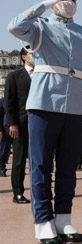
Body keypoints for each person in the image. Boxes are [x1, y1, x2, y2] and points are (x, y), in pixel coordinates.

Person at [8, 0, 82, 243]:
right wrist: (44, 6)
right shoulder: (39, 27)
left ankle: (63, 219)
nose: (68, 2)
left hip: (76, 107)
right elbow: (14, 26)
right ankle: (42, 222)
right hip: (44, 104)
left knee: (68, 167)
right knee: (40, 165)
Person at [4, 48, 33, 203]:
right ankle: (18, 192)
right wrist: (12, 123)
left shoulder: (43, 75)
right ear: (24, 57)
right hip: (21, 124)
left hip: (41, 125)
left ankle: (41, 190)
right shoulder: (14, 76)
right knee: (19, 160)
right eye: (32, 54)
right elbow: (9, 103)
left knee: (41, 159)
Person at [0, 98, 9, 178]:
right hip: (5, 129)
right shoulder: (2, 100)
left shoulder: (19, 99)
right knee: (3, 151)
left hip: (19, 129)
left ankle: (19, 171)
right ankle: (1, 169)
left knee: (19, 153)